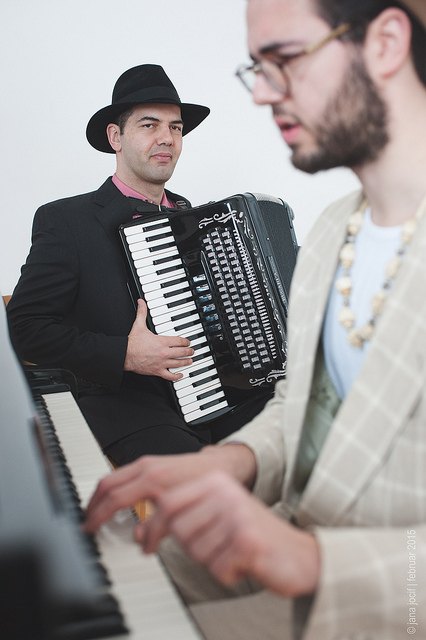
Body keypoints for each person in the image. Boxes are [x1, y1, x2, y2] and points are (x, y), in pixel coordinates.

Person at [84, 1, 426, 639]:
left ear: (386, 42)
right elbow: (300, 403)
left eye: (285, 59)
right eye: (257, 69)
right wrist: (231, 461)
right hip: (292, 527)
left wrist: (313, 560)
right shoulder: (332, 231)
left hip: (390, 601)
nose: (263, 93)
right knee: (97, 566)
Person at [6, 64, 271, 466]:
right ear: (116, 137)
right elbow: (24, 328)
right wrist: (124, 354)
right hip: (130, 408)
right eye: (149, 125)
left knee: (304, 435)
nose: (167, 138)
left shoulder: (195, 220)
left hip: (219, 397)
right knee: (202, 481)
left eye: (176, 127)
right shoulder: (67, 221)